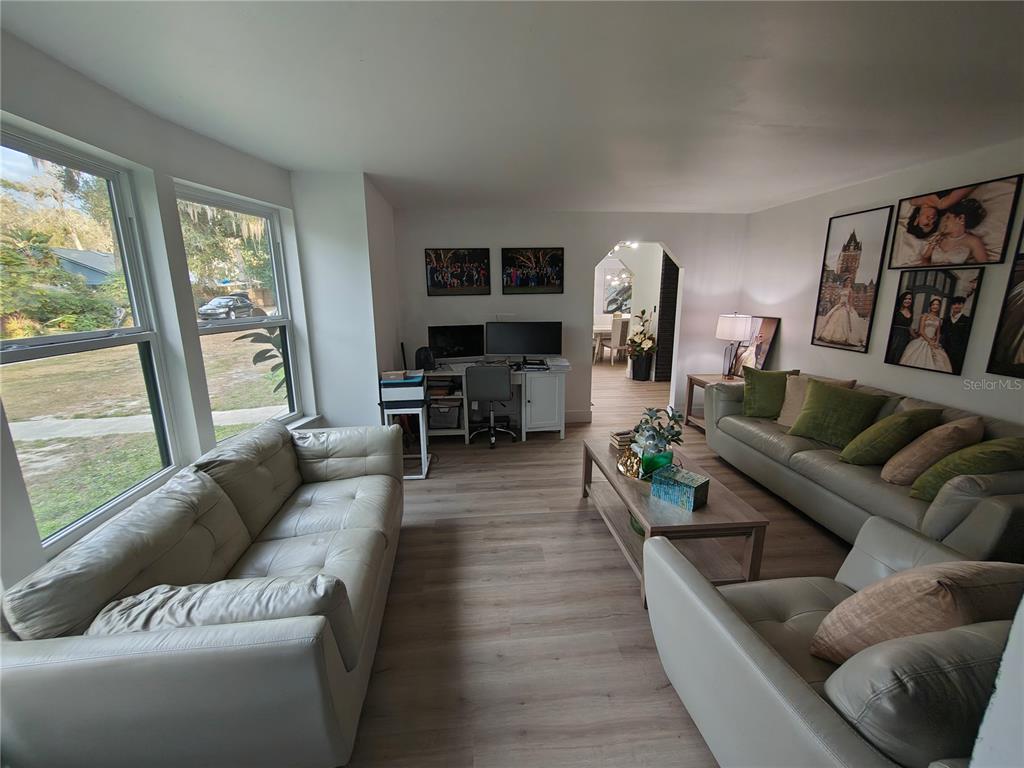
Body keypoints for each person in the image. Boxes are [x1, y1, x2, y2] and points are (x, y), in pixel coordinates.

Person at [919, 198, 988, 265]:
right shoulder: (938, 238)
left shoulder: (973, 241)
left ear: (961, 218)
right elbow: (924, 260)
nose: (943, 222)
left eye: (948, 217)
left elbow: (985, 266)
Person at [899, 298, 953, 372]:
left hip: (933, 342)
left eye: (937, 305)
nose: (935, 306)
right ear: (930, 306)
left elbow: (938, 333)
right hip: (923, 340)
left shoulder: (939, 320)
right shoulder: (924, 316)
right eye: (933, 304)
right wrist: (929, 341)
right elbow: (921, 331)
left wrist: (937, 342)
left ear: (939, 307)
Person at [815, 279, 863, 347]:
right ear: (844, 281)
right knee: (833, 318)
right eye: (847, 281)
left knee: (844, 321)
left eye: (849, 281)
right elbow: (838, 298)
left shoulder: (850, 290)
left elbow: (850, 300)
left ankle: (845, 338)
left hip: (846, 306)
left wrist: (849, 308)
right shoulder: (841, 289)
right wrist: (838, 304)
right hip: (839, 305)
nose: (848, 282)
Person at [940, 296, 973, 373]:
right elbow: (942, 333)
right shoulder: (946, 319)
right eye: (954, 304)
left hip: (958, 353)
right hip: (945, 351)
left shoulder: (967, 320)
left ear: (962, 305)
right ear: (951, 306)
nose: (956, 306)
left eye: (959, 304)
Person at [887, 291, 915, 363]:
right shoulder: (896, 310)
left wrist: (917, 337)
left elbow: (909, 327)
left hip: (905, 338)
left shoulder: (911, 312)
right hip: (895, 336)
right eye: (905, 299)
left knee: (900, 357)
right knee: (891, 355)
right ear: (902, 299)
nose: (907, 300)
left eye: (909, 299)